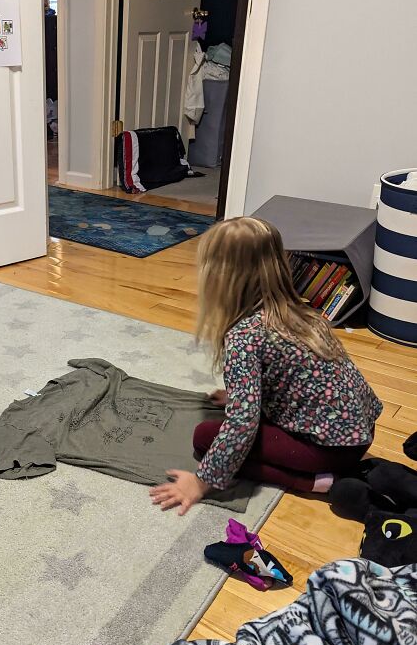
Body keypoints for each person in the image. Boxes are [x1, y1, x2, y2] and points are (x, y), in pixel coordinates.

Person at [151, 217, 382, 515]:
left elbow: (241, 424)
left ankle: (315, 482)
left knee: (205, 438)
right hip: (360, 431)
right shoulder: (305, 312)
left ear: (219, 278)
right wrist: (238, 395)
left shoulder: (244, 336)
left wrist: (202, 481)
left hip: (329, 452)